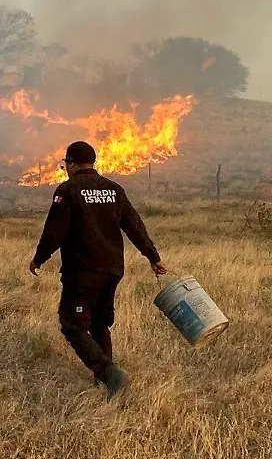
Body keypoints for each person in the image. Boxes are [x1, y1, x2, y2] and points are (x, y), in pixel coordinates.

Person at [29, 141, 168, 400]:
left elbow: (54, 231)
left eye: (65, 165)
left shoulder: (68, 190)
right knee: (99, 323)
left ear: (71, 164)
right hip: (113, 269)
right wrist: (152, 256)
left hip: (83, 270)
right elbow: (134, 224)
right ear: (93, 162)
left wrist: (39, 258)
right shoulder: (114, 189)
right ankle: (106, 384)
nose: (65, 169)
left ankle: (108, 372)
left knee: (72, 324)